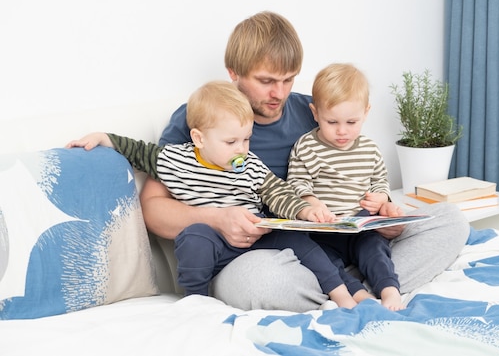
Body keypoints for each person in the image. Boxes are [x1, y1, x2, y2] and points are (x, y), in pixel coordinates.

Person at [140, 10, 471, 312]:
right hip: (261, 255)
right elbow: (153, 209)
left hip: (336, 238)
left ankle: (356, 287)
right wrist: (216, 219)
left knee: (450, 220)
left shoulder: (315, 112)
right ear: (234, 74)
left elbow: (359, 172)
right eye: (267, 81)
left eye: (289, 79)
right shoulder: (199, 118)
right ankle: (356, 288)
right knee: (261, 281)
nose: (279, 94)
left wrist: (384, 215)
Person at [66, 80, 362, 308]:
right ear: (199, 138)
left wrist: (304, 210)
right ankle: (196, 300)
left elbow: (276, 190)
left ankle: (341, 294)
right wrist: (104, 138)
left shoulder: (249, 164)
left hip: (256, 232)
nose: (242, 149)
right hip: (216, 242)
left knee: (300, 239)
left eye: (246, 139)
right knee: (194, 237)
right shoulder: (175, 160)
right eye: (231, 141)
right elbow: (138, 152)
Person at [286, 63, 404, 310]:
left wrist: (381, 198)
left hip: (361, 227)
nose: (342, 131)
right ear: (315, 113)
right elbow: (297, 183)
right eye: (332, 122)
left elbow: (381, 180)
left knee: (376, 251)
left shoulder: (369, 149)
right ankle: (358, 295)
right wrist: (312, 203)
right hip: (325, 231)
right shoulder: (307, 147)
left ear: (366, 112)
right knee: (324, 262)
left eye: (351, 122)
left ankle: (389, 290)